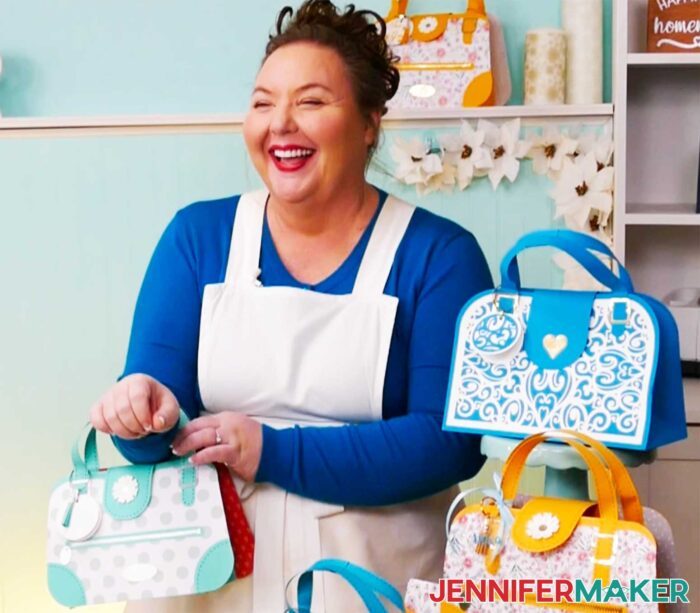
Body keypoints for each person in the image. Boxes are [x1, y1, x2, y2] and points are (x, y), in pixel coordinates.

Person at [89, 1, 494, 610]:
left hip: (373, 585)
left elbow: (448, 441)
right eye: (261, 102)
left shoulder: (439, 255)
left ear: (369, 123)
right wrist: (141, 411)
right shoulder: (197, 239)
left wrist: (270, 451)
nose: (280, 123)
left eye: (310, 101)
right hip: (212, 583)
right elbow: (150, 440)